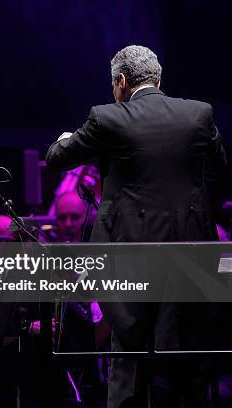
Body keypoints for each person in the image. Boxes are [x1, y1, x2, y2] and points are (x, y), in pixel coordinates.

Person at [46, 45, 227, 407]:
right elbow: (218, 170)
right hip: (190, 254)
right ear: (159, 80)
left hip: (127, 253)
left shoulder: (108, 118)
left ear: (122, 82)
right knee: (187, 358)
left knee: (127, 355)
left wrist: (65, 139)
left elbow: (56, 160)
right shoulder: (198, 115)